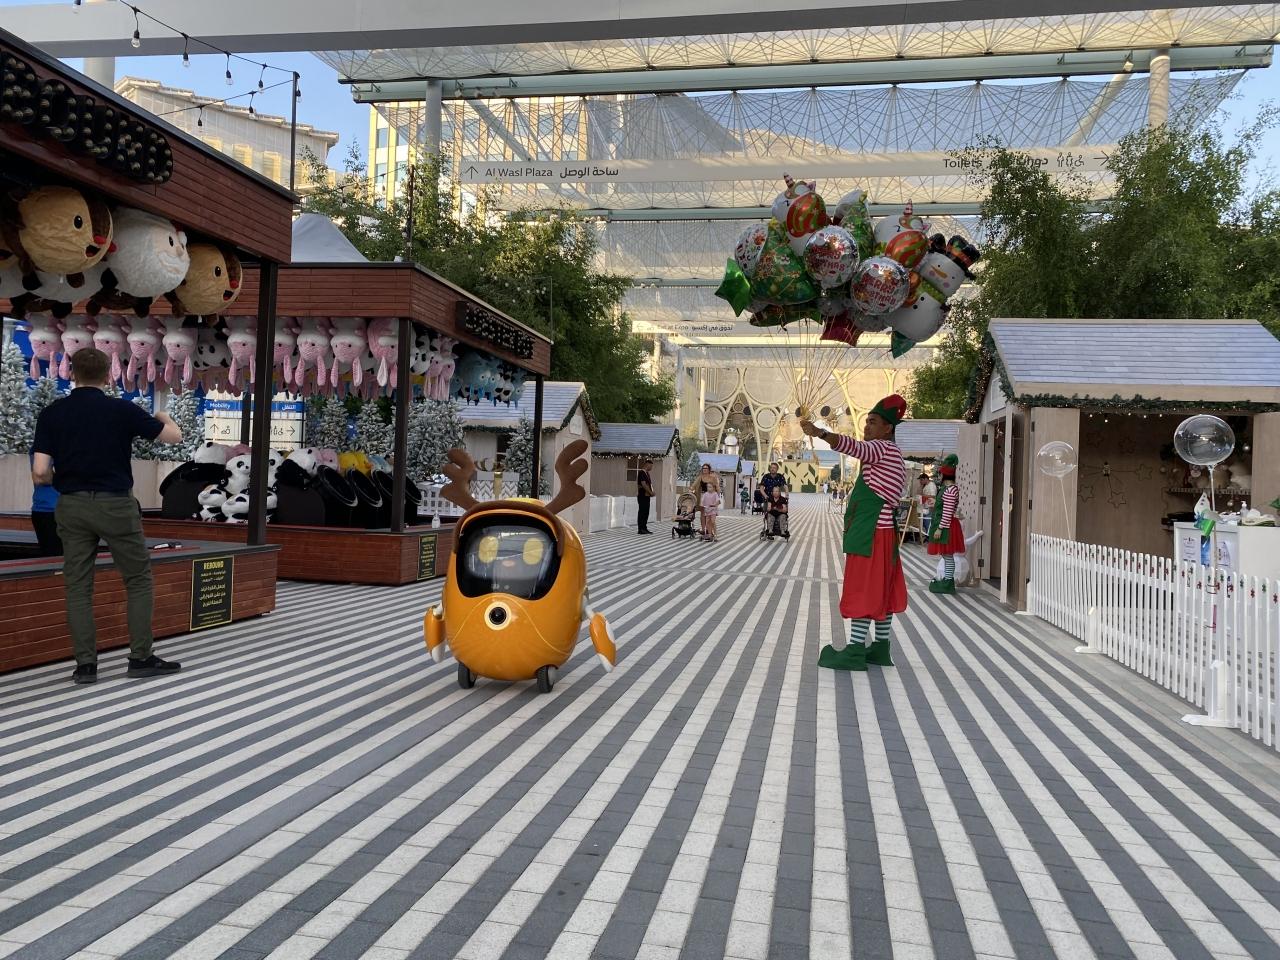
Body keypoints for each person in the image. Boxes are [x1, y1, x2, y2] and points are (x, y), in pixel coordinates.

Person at [31, 348, 184, 685]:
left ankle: (86, 666)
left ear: (72, 374)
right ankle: (140, 657)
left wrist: (69, 479)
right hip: (116, 505)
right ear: (108, 376)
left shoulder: (52, 413)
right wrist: (164, 416)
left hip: (71, 506)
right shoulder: (121, 409)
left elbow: (40, 472)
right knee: (137, 580)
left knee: (78, 586)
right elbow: (174, 437)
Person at [801, 394, 909, 671]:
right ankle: (881, 648)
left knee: (863, 589)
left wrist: (820, 433)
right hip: (884, 534)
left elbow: (855, 447)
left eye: (873, 422)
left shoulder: (882, 449)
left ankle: (854, 651)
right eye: (866, 421)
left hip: (871, 533)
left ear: (888, 428)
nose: (867, 426)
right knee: (883, 590)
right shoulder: (893, 453)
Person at [928, 455, 964, 594]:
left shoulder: (950, 490)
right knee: (946, 555)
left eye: (941, 473)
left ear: (945, 474)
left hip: (946, 526)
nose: (940, 475)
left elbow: (948, 512)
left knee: (948, 556)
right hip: (946, 524)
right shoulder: (949, 488)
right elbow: (946, 507)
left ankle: (948, 582)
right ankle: (947, 580)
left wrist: (940, 528)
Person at [29, 451, 62, 556]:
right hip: (48, 509)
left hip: (68, 507)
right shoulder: (43, 444)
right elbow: (41, 476)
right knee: (54, 557)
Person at [696, 463, 721, 541]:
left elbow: (717, 487)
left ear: (709, 469)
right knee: (704, 518)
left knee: (712, 521)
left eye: (706, 468)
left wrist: (717, 499)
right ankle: (706, 531)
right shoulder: (700, 477)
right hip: (705, 499)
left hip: (712, 502)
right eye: (703, 468)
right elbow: (695, 484)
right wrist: (691, 489)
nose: (704, 470)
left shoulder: (713, 478)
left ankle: (714, 534)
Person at [636, 458, 654, 535]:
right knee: (642, 512)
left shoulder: (647, 474)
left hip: (647, 496)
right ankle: (641, 529)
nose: (652, 468)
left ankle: (644, 527)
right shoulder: (641, 473)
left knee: (646, 512)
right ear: (647, 464)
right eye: (651, 466)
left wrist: (652, 491)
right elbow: (643, 484)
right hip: (642, 495)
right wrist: (650, 492)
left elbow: (649, 484)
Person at [919, 471, 937, 539]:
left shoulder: (931, 485)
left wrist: (923, 496)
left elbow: (933, 496)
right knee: (924, 521)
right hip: (926, 506)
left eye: (921, 480)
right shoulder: (926, 486)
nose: (920, 481)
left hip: (930, 507)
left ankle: (929, 536)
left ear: (926, 479)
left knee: (928, 522)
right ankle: (927, 535)